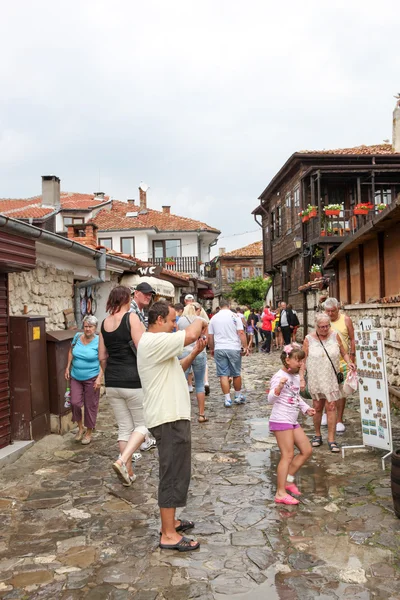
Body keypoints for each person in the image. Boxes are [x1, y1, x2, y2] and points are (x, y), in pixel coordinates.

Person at [137, 301, 207, 552]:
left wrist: (194, 354)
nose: (175, 325)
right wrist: (199, 316)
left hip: (172, 416)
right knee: (172, 475)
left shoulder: (158, 345)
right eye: (171, 320)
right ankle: (168, 534)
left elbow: (178, 369)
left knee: (179, 472)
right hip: (168, 418)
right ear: (158, 321)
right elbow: (191, 332)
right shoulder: (154, 341)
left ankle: (172, 522)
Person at [98, 285, 148, 485]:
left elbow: (102, 356)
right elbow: (143, 348)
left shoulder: (104, 323)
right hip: (133, 380)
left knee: (124, 428)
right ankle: (121, 460)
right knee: (143, 426)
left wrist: (108, 372)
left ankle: (128, 472)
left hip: (112, 381)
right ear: (127, 299)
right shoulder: (131, 318)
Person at [302, 313, 356, 453]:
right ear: (316, 326)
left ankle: (331, 440)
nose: (325, 329)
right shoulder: (308, 339)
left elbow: (343, 352)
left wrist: (349, 362)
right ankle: (318, 435)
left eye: (327, 326)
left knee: (331, 406)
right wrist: (301, 378)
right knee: (318, 407)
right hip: (316, 378)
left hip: (331, 377)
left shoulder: (334, 335)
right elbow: (303, 360)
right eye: (322, 327)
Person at [268, 344, 315, 505]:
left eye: (302, 360)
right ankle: (280, 493)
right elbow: (270, 399)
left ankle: (287, 481)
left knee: (306, 450)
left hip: (292, 419)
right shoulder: (279, 376)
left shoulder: (294, 376)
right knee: (287, 455)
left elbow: (295, 396)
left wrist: (306, 408)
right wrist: (279, 387)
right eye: (298, 360)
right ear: (287, 360)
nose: (301, 364)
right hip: (281, 419)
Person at [65, 315, 102, 445]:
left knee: (90, 405)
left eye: (90, 327)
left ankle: (89, 432)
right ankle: (80, 428)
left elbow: (103, 361)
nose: (87, 329)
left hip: (92, 377)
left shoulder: (99, 341)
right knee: (75, 403)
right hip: (76, 376)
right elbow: (71, 351)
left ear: (95, 328)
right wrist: (68, 367)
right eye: (85, 326)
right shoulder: (77, 337)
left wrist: (99, 378)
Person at [130, 282, 158, 452]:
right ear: (137, 293)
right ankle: (142, 439)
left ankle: (144, 437)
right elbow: (137, 341)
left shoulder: (140, 311)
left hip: (138, 360)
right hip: (135, 360)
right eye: (146, 294)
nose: (148, 297)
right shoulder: (132, 311)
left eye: (150, 294)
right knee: (140, 402)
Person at [208, 298, 249, 407]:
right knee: (236, 373)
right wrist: (245, 346)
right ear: (229, 305)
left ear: (220, 306)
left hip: (220, 348)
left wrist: (212, 348)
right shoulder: (235, 316)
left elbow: (210, 336)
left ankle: (227, 399)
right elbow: (241, 332)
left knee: (223, 374)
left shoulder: (214, 318)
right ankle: (237, 396)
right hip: (233, 347)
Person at [323, 297, 356, 432]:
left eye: (333, 311)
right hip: (325, 361)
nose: (330, 314)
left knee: (341, 390)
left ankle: (339, 419)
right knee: (326, 389)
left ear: (338, 309)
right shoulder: (323, 321)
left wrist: (352, 357)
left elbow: (353, 338)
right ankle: (327, 412)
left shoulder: (346, 320)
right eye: (328, 311)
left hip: (342, 362)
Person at [177, 302, 209, 422]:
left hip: (183, 352)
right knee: (200, 384)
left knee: (182, 382)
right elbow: (206, 338)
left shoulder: (180, 321)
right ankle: (201, 414)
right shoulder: (200, 320)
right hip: (199, 351)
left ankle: (182, 414)